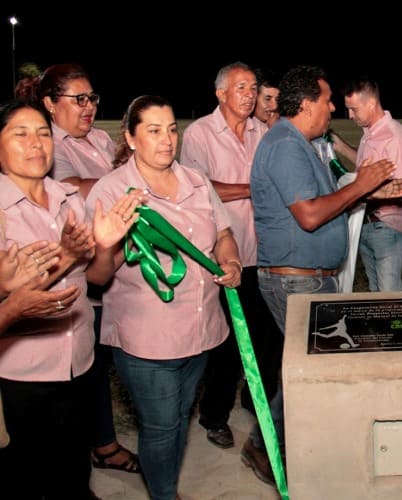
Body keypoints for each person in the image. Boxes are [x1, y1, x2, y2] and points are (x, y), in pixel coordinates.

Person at [247, 65, 402, 486]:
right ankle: (268, 445)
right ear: (305, 104)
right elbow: (310, 214)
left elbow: (326, 199)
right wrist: (363, 184)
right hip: (294, 279)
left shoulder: (303, 143)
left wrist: (369, 191)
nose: (333, 107)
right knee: (305, 370)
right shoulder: (285, 145)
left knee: (303, 367)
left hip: (310, 276)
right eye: (326, 100)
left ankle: (273, 441)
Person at [86, 95, 242, 499]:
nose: (167, 139)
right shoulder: (113, 191)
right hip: (147, 340)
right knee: (159, 427)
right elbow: (96, 276)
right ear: (131, 137)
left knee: (178, 419)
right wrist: (109, 244)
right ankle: (164, 494)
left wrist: (231, 261)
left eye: (172, 129)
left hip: (202, 331)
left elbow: (222, 233)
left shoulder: (196, 181)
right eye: (154, 130)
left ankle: (166, 488)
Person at [0, 99, 139, 498]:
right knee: (29, 475)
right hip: (22, 373)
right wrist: (69, 255)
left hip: (79, 362)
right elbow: (12, 290)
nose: (36, 144)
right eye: (20, 134)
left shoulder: (67, 198)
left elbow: (96, 277)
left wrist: (109, 247)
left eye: (43, 134)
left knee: (74, 473)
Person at [180, 62, 282, 450]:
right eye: (241, 87)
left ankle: (257, 406)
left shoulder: (264, 132)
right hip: (224, 259)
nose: (249, 94)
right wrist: (254, 188)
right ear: (221, 93)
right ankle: (213, 416)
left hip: (265, 253)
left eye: (253, 87)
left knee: (267, 339)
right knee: (226, 344)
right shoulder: (200, 134)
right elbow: (201, 191)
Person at [334, 79, 402, 291]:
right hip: (366, 223)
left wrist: (360, 194)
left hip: (385, 226)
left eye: (353, 109)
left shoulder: (394, 137)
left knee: (389, 296)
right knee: (375, 293)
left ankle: (397, 325)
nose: (350, 115)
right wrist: (340, 146)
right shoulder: (370, 134)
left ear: (370, 103)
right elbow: (370, 172)